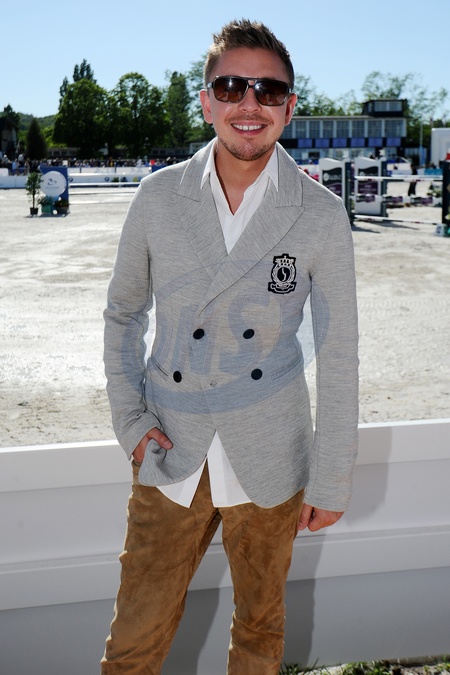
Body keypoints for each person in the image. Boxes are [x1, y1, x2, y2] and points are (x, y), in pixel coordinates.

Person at [101, 18, 359, 675]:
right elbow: (123, 313)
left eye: (268, 91)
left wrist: (331, 477)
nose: (250, 103)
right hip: (171, 450)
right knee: (133, 644)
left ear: (290, 107)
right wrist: (131, 423)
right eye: (231, 87)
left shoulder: (320, 212)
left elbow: (339, 353)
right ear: (206, 101)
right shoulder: (159, 196)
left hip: (272, 456)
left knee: (259, 636)